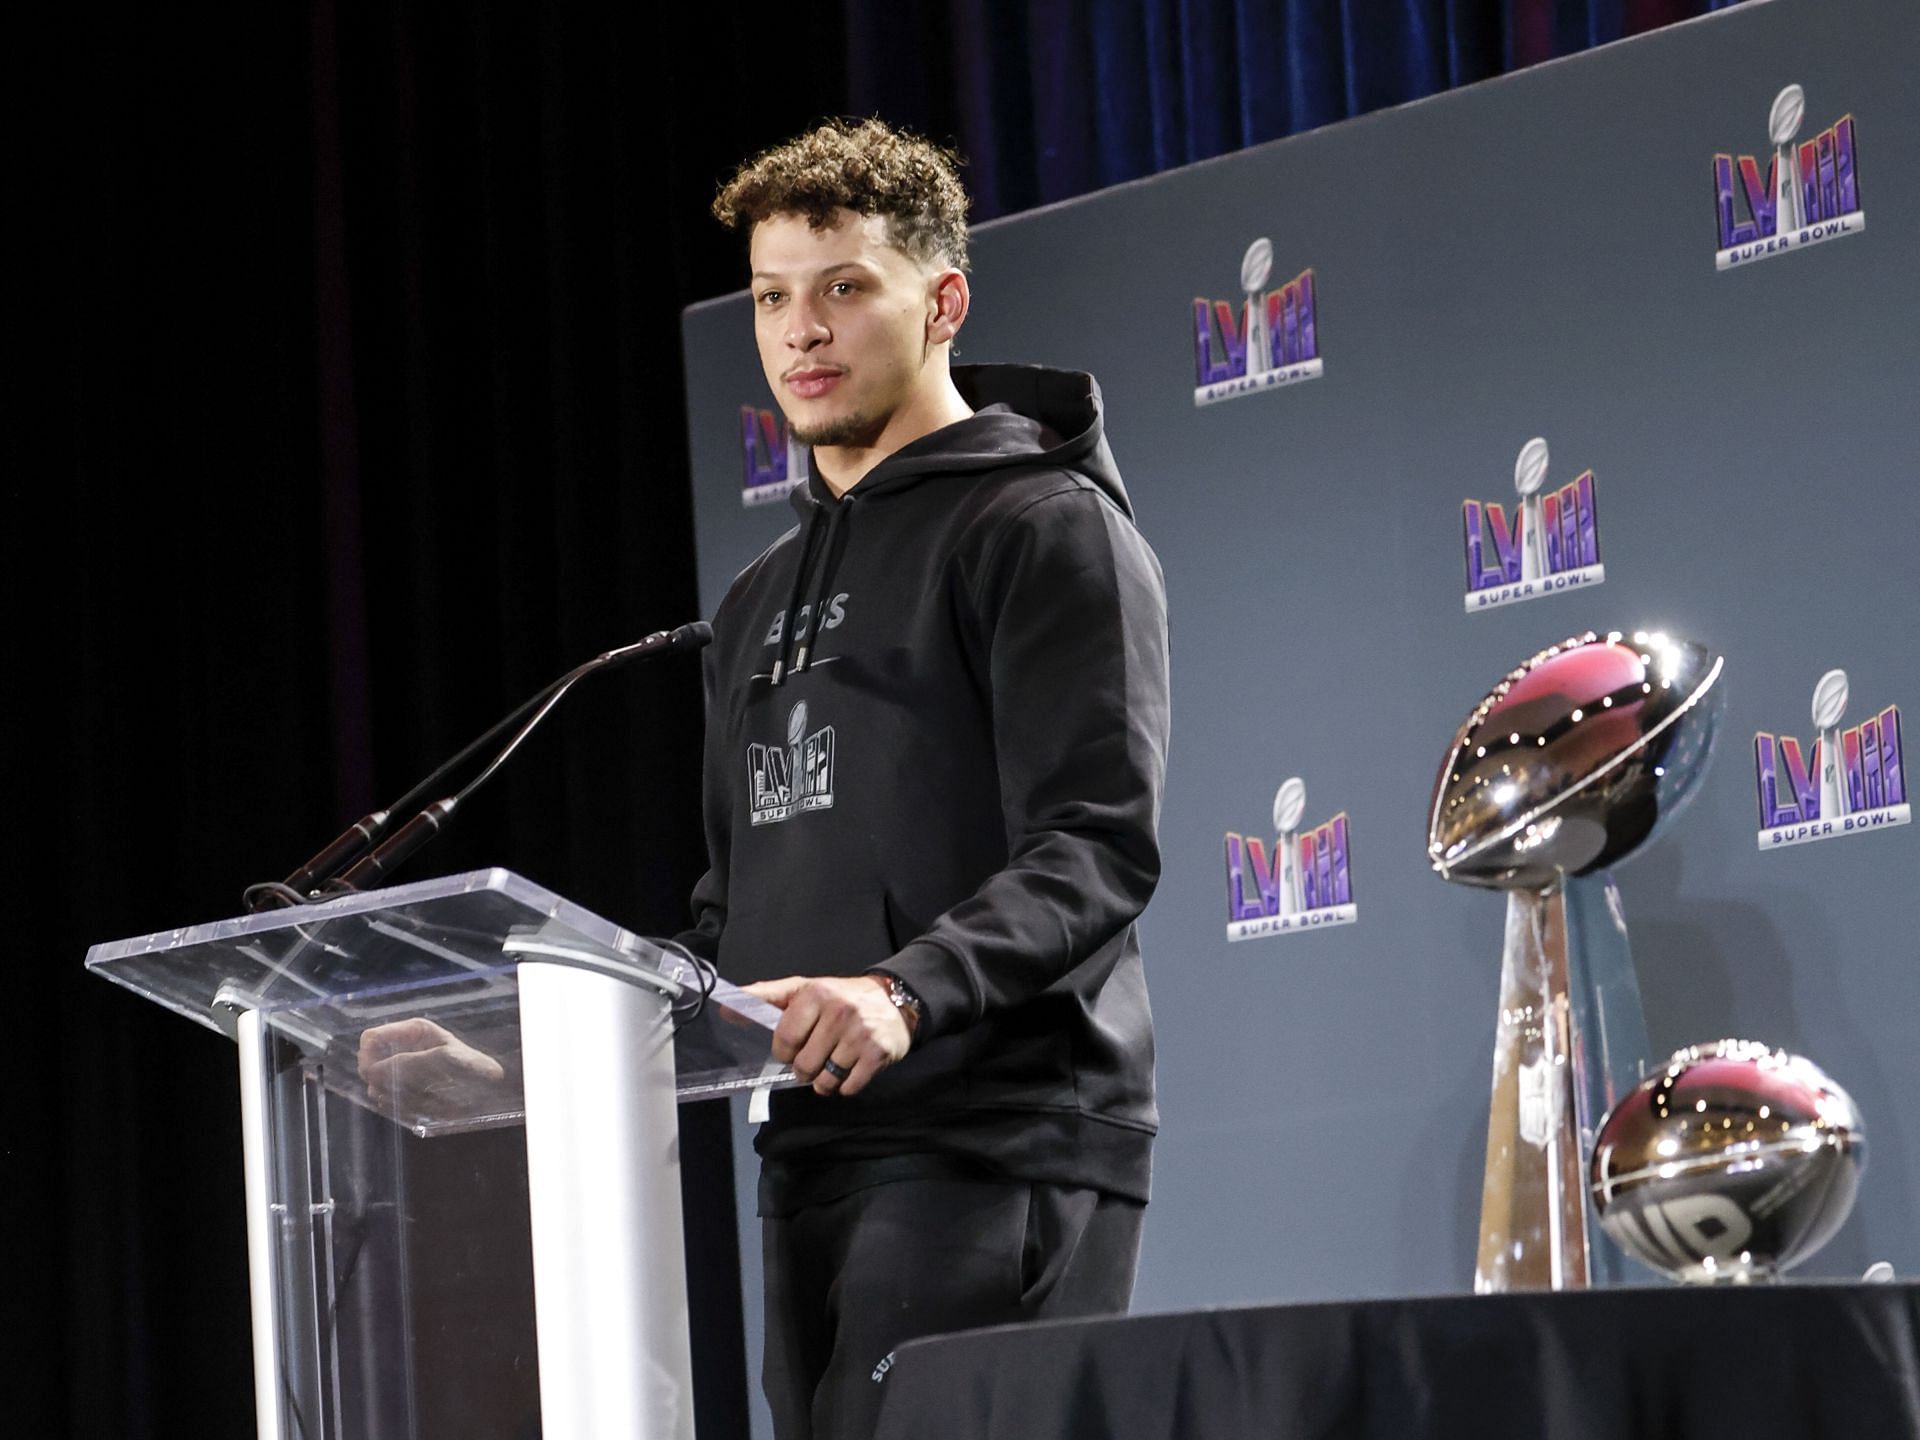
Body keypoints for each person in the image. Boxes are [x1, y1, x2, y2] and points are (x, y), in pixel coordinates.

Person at [680, 117, 1170, 1440]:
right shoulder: (753, 602)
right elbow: (733, 917)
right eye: (773, 297)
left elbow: (1095, 848)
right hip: (809, 1155)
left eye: (845, 286)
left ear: (942, 299)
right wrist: (527, 1045)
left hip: (997, 1143)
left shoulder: (1044, 527)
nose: (801, 330)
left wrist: (903, 991)